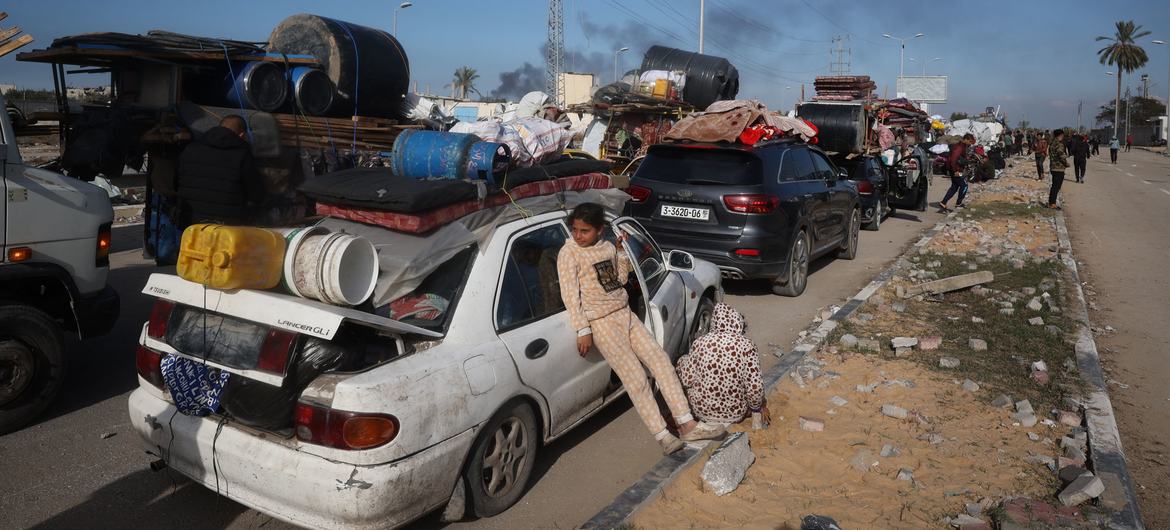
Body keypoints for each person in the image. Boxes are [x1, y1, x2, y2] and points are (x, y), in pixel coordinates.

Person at [557, 203, 726, 454]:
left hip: (625, 315)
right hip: (602, 323)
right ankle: (662, 435)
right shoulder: (569, 253)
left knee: (660, 362)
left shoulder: (605, 246)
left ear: (600, 230)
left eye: (585, 231)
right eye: (575, 230)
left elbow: (620, 280)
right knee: (635, 379)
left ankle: (686, 423)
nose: (578, 236)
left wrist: (622, 252)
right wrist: (583, 329)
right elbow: (570, 294)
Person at [677, 303, 768, 428]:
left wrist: (682, 362)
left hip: (701, 412)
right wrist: (757, 408)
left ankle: (682, 411)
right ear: (737, 322)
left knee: (682, 361)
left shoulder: (699, 343)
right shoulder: (747, 345)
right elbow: (755, 387)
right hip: (735, 413)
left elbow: (686, 380)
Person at [177, 115, 264, 225]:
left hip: (191, 223)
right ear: (242, 135)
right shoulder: (243, 155)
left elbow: (176, 183)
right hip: (227, 227)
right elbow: (257, 195)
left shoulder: (190, 149)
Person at [938, 133, 974, 212]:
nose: (970, 143)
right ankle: (959, 203)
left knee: (954, 187)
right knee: (964, 185)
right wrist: (955, 171)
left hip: (956, 170)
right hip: (955, 170)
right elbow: (953, 160)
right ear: (966, 139)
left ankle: (943, 202)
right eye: (970, 141)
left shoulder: (963, 147)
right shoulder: (959, 147)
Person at [1048, 129, 1069, 209]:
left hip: (1053, 167)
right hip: (1058, 168)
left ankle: (1052, 202)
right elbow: (1061, 155)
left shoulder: (1052, 143)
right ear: (1061, 135)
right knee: (1056, 186)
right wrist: (1066, 163)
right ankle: (1052, 203)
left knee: (1054, 186)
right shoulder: (1059, 144)